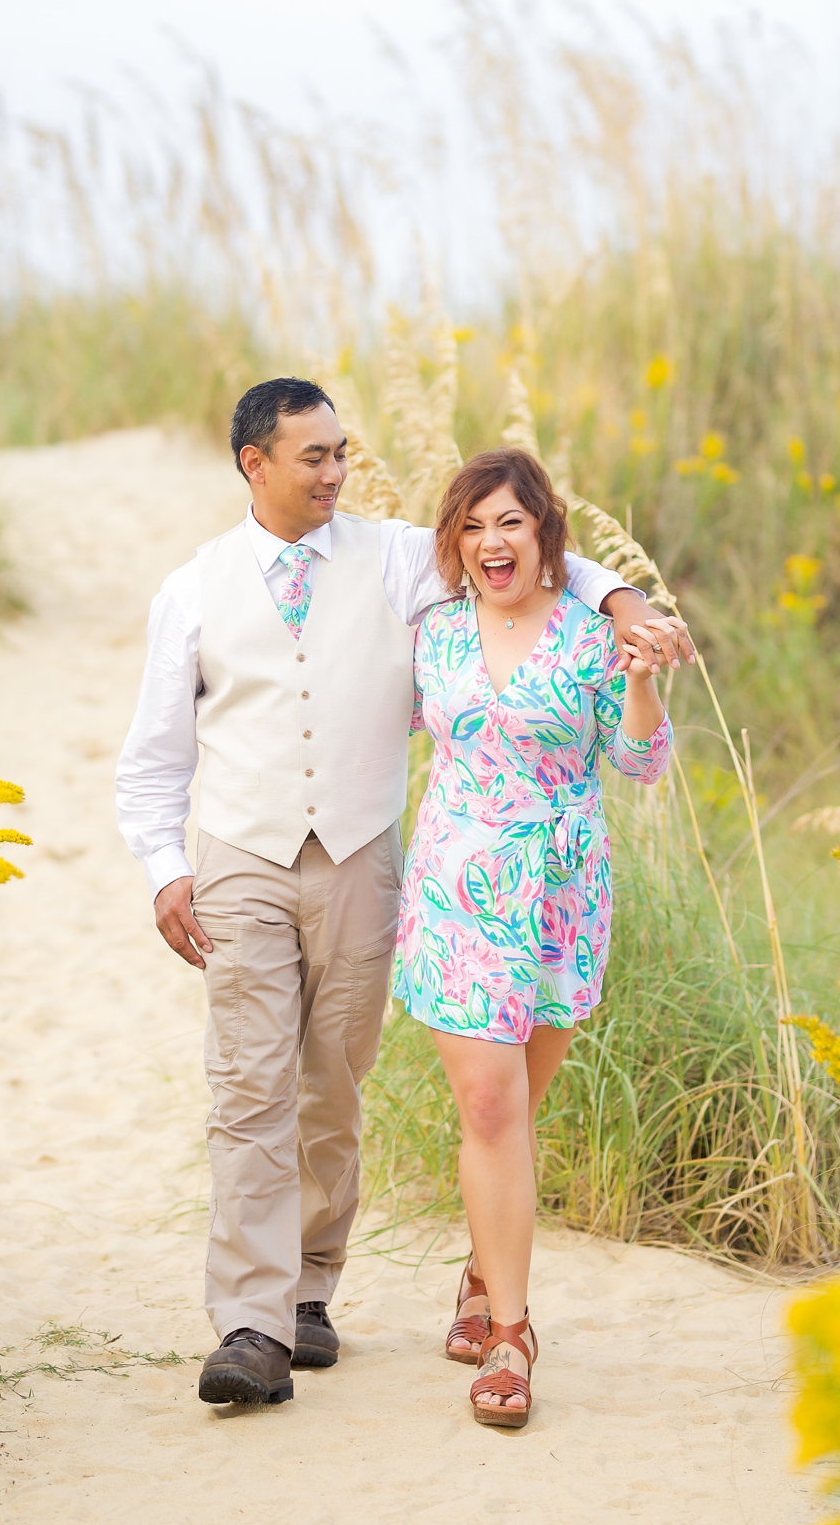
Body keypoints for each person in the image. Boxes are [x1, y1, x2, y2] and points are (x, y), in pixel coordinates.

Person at [115, 377, 693, 1409]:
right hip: (245, 852)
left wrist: (625, 601)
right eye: (315, 456)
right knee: (254, 1083)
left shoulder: (392, 561)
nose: (337, 471)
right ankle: (251, 1324)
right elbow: (153, 753)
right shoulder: (192, 589)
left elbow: (524, 560)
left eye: (343, 452)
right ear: (256, 463)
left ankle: (308, 1294)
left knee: (336, 1078)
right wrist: (166, 866)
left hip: (369, 856)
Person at [392, 448, 674, 1429]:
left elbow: (639, 761)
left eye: (508, 521)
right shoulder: (434, 633)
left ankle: (481, 1268)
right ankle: (512, 1334)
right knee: (490, 1103)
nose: (490, 542)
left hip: (560, 896)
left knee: (517, 1104)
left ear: (543, 530)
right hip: (457, 888)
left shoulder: (592, 635)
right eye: (471, 527)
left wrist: (640, 679)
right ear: (453, 544)